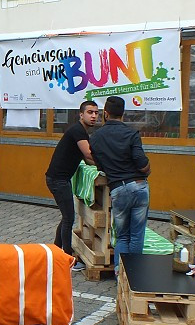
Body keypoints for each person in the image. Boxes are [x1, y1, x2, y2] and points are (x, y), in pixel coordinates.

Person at [89, 96, 150, 269]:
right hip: (139, 186)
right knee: (137, 235)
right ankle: (134, 275)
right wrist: (147, 169)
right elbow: (140, 160)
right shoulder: (131, 133)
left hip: (118, 189)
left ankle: (119, 274)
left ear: (105, 114)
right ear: (122, 114)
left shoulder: (95, 137)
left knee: (122, 235)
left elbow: (99, 165)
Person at [45, 100, 99, 266]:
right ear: (81, 115)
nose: (94, 116)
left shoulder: (81, 131)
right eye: (90, 112)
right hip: (58, 180)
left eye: (96, 113)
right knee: (69, 218)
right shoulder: (78, 131)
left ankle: (56, 251)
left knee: (66, 217)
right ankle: (68, 260)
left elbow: (87, 160)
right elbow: (89, 155)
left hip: (59, 179)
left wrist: (100, 166)